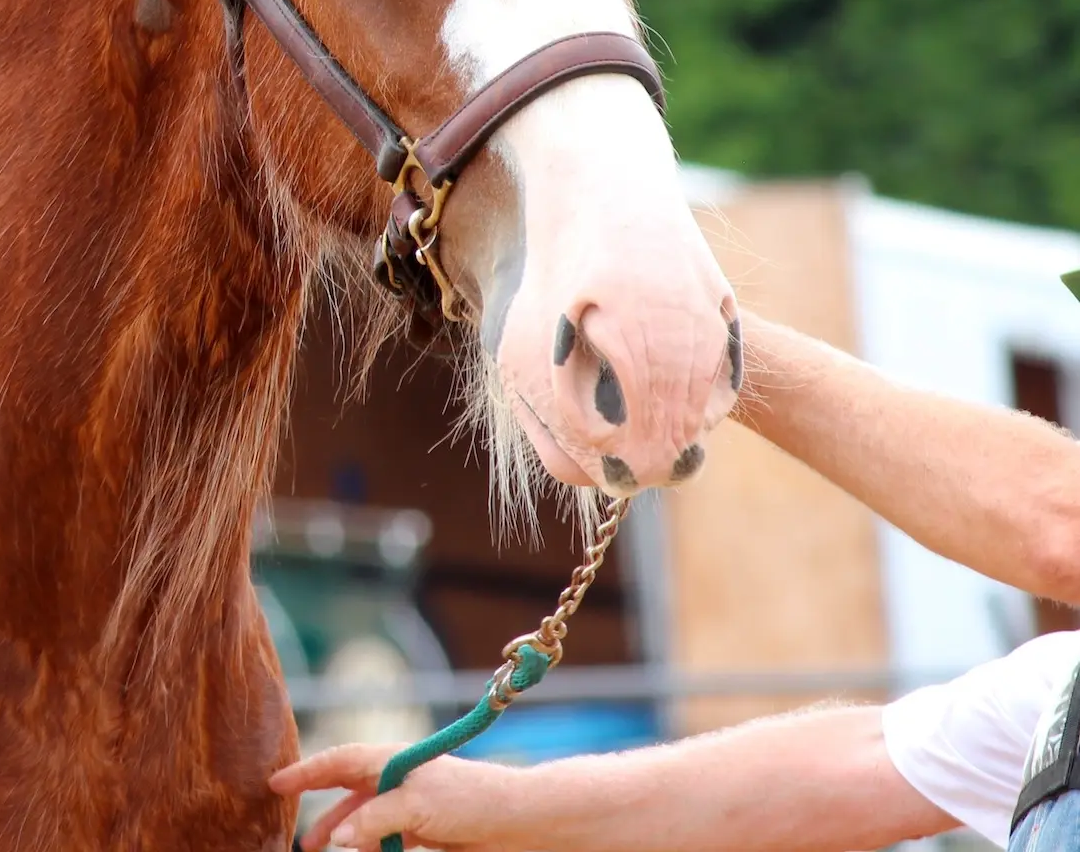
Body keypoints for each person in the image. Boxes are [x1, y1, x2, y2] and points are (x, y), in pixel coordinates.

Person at [274, 300, 1080, 852]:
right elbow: (847, 766)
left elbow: (1058, 521)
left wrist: (697, 329)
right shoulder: (1058, 696)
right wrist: (493, 806)